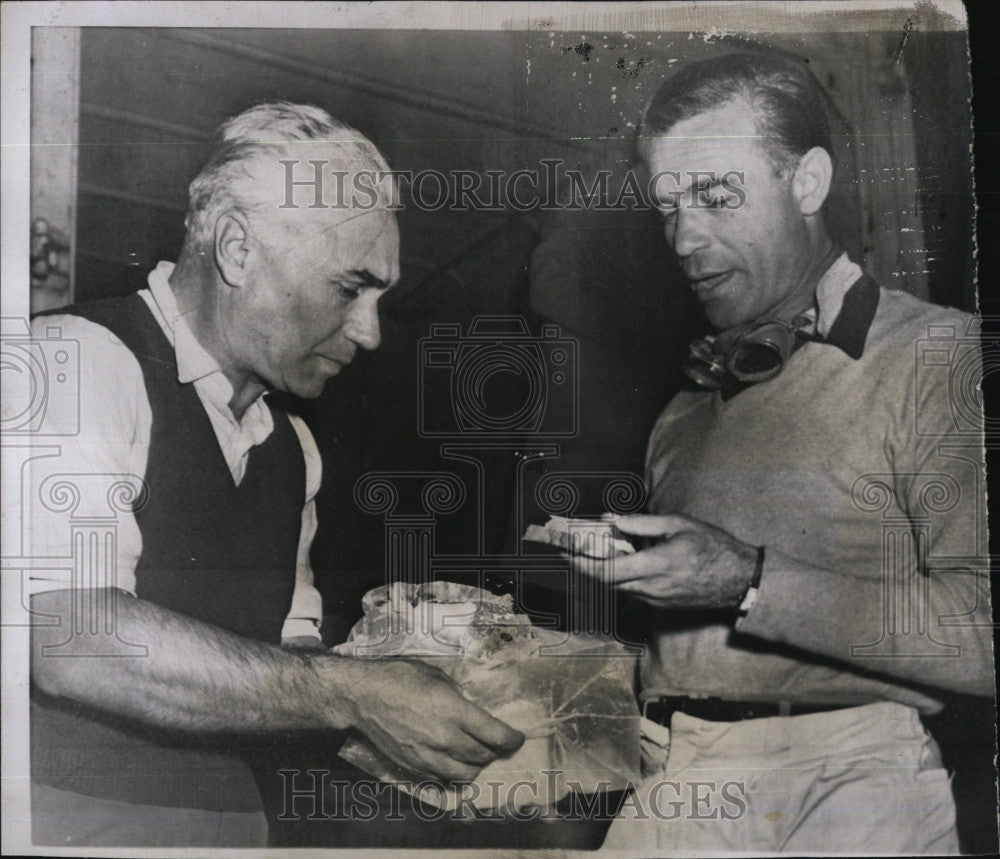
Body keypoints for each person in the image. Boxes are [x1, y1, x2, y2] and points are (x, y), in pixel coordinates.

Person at [27, 101, 523, 848]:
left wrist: (424, 682)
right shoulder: (70, 361)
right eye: (349, 287)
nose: (371, 331)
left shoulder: (293, 446)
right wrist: (356, 694)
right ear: (235, 249)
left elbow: (291, 666)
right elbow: (74, 639)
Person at [567, 53, 994, 853]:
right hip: (676, 771)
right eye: (666, 208)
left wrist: (748, 579)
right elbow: (690, 654)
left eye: (715, 196)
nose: (685, 239)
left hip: (855, 781)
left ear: (808, 182)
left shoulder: (941, 355)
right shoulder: (683, 409)